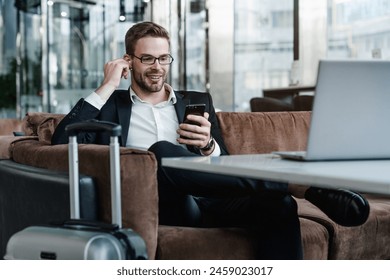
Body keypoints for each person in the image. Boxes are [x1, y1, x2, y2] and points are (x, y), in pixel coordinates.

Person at [51, 21, 369, 259]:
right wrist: (107, 85)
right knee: (160, 150)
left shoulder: (197, 99)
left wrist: (208, 146)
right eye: (147, 59)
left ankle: (287, 192)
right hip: (169, 204)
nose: (157, 67)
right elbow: (60, 143)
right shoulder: (109, 105)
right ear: (129, 61)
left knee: (280, 205)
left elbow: (224, 160)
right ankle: (296, 183)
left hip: (215, 199)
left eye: (164, 59)